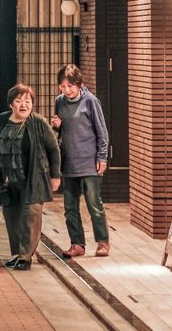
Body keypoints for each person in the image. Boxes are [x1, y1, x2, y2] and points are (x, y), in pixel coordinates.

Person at [0, 83, 62, 271]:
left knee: (31, 216)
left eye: (28, 101)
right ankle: (17, 253)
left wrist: (55, 175)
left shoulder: (38, 123)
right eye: (19, 101)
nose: (24, 105)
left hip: (34, 178)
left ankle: (26, 256)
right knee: (12, 217)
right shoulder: (1, 121)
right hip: (8, 179)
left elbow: (53, 150)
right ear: (11, 104)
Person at [51, 64, 110, 258]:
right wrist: (57, 126)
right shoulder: (59, 102)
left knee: (94, 204)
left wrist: (102, 157)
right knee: (70, 207)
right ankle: (77, 244)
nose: (66, 91)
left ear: (79, 84)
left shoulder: (91, 101)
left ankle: (102, 242)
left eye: (70, 86)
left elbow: (102, 132)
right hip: (69, 163)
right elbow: (61, 132)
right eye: (63, 87)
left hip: (89, 162)